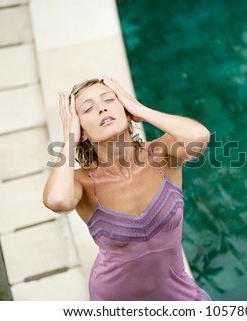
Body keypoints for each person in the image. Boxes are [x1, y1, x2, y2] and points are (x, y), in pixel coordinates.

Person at [43, 77, 211, 300]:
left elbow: (199, 137)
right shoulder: (83, 182)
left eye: (109, 100)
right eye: (88, 108)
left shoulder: (162, 155)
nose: (102, 108)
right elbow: (57, 201)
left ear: (125, 109)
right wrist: (70, 137)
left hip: (177, 294)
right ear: (81, 130)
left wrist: (141, 110)